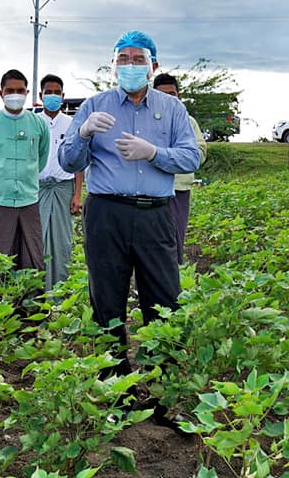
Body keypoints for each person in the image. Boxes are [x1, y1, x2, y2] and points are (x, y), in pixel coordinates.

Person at [58, 30, 200, 382]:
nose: (130, 66)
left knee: (164, 299)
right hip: (107, 212)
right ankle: (114, 386)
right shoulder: (94, 106)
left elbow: (192, 156)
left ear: (153, 65)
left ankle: (163, 387)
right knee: (107, 298)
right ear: (113, 64)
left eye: (138, 59)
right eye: (123, 59)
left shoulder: (172, 108)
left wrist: (154, 153)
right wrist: (83, 133)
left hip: (156, 212)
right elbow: (67, 161)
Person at [0, 69, 50, 273]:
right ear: (1, 93)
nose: (15, 95)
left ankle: (29, 304)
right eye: (10, 90)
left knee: (32, 255)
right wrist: (0, 178)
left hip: (29, 198)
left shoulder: (38, 124)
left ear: (27, 92)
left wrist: (26, 175)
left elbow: (41, 159)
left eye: (20, 90)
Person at [152, 73, 207, 264]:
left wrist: (172, 158)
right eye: (163, 94)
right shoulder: (145, 120)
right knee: (147, 243)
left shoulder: (188, 121)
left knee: (175, 239)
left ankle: (172, 287)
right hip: (150, 190)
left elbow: (199, 152)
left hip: (178, 189)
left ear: (179, 95)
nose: (169, 99)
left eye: (172, 94)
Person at [37, 74, 84, 292]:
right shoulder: (34, 123)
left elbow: (78, 161)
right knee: (38, 240)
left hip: (64, 189)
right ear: (41, 95)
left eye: (57, 92)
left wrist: (77, 194)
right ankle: (38, 293)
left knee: (62, 242)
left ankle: (59, 293)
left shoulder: (72, 124)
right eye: (49, 92)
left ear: (63, 96)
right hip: (39, 189)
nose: (53, 96)